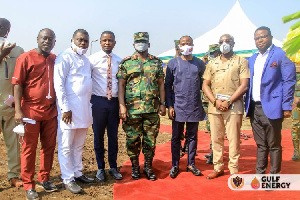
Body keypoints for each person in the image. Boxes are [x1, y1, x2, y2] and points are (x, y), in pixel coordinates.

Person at [12, 28, 58, 200]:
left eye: (50, 39)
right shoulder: (25, 58)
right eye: (44, 38)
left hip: (51, 111)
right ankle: (28, 184)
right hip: (30, 112)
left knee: (49, 147)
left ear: (55, 41)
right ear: (38, 39)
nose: (47, 41)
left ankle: (44, 178)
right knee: (29, 149)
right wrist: (18, 109)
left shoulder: (55, 59)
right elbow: (18, 85)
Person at [245, 26, 296, 173]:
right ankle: (260, 173)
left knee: (274, 144)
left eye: (263, 36)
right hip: (255, 107)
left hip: (273, 106)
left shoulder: (281, 54)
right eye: (256, 38)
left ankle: (274, 176)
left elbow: (289, 81)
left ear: (271, 37)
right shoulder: (253, 58)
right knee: (261, 144)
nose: (260, 40)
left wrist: (286, 106)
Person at [117, 32, 166, 181]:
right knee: (133, 140)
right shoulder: (126, 63)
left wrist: (163, 104)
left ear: (149, 44)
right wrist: (122, 106)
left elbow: (161, 85)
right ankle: (135, 166)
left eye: (144, 41)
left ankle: (148, 167)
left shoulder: (156, 63)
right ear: (133, 44)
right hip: (132, 110)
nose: (141, 43)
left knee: (150, 141)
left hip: (151, 109)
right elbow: (121, 86)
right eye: (138, 41)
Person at [202, 34, 250, 179]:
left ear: (233, 44)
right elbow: (205, 84)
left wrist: (229, 101)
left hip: (234, 107)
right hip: (215, 107)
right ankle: (218, 167)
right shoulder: (212, 63)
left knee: (234, 139)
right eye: (222, 42)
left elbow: (244, 85)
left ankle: (234, 169)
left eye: (227, 41)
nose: (224, 44)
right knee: (216, 138)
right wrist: (215, 101)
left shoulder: (241, 62)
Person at [54, 29, 94, 194]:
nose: (83, 43)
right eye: (80, 40)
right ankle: (67, 178)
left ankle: (77, 172)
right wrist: (65, 108)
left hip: (84, 109)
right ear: (72, 40)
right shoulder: (64, 57)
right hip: (68, 111)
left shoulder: (86, 60)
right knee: (66, 146)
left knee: (78, 146)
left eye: (85, 40)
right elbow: (59, 84)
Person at [165, 35, 206, 178]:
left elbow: (204, 84)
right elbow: (167, 86)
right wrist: (169, 106)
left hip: (194, 105)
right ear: (179, 46)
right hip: (178, 106)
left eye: (188, 43)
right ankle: (175, 165)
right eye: (183, 44)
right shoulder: (172, 64)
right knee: (176, 137)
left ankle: (191, 163)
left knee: (193, 137)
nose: (186, 46)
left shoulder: (199, 64)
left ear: (193, 45)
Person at [89, 31, 122, 181]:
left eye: (110, 40)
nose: (107, 43)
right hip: (98, 102)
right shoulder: (92, 60)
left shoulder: (119, 61)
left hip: (114, 103)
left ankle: (113, 167)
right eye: (104, 40)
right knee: (98, 136)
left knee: (113, 136)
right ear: (100, 42)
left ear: (114, 43)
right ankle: (100, 168)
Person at [0, 18, 23, 187]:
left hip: (9, 104)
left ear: (8, 30)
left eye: (4, 28)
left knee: (13, 142)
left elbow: (22, 78)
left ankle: (14, 174)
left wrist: (19, 102)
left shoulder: (18, 50)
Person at [202, 44, 221, 165]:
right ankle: (213, 150)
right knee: (210, 127)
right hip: (207, 101)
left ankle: (216, 153)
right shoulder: (209, 65)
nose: (212, 56)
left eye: (214, 53)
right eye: (211, 53)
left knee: (216, 128)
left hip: (218, 101)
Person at [291, 73, 300, 161]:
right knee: (296, 127)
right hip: (296, 105)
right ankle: (296, 151)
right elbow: (287, 84)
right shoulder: (292, 68)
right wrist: (293, 98)